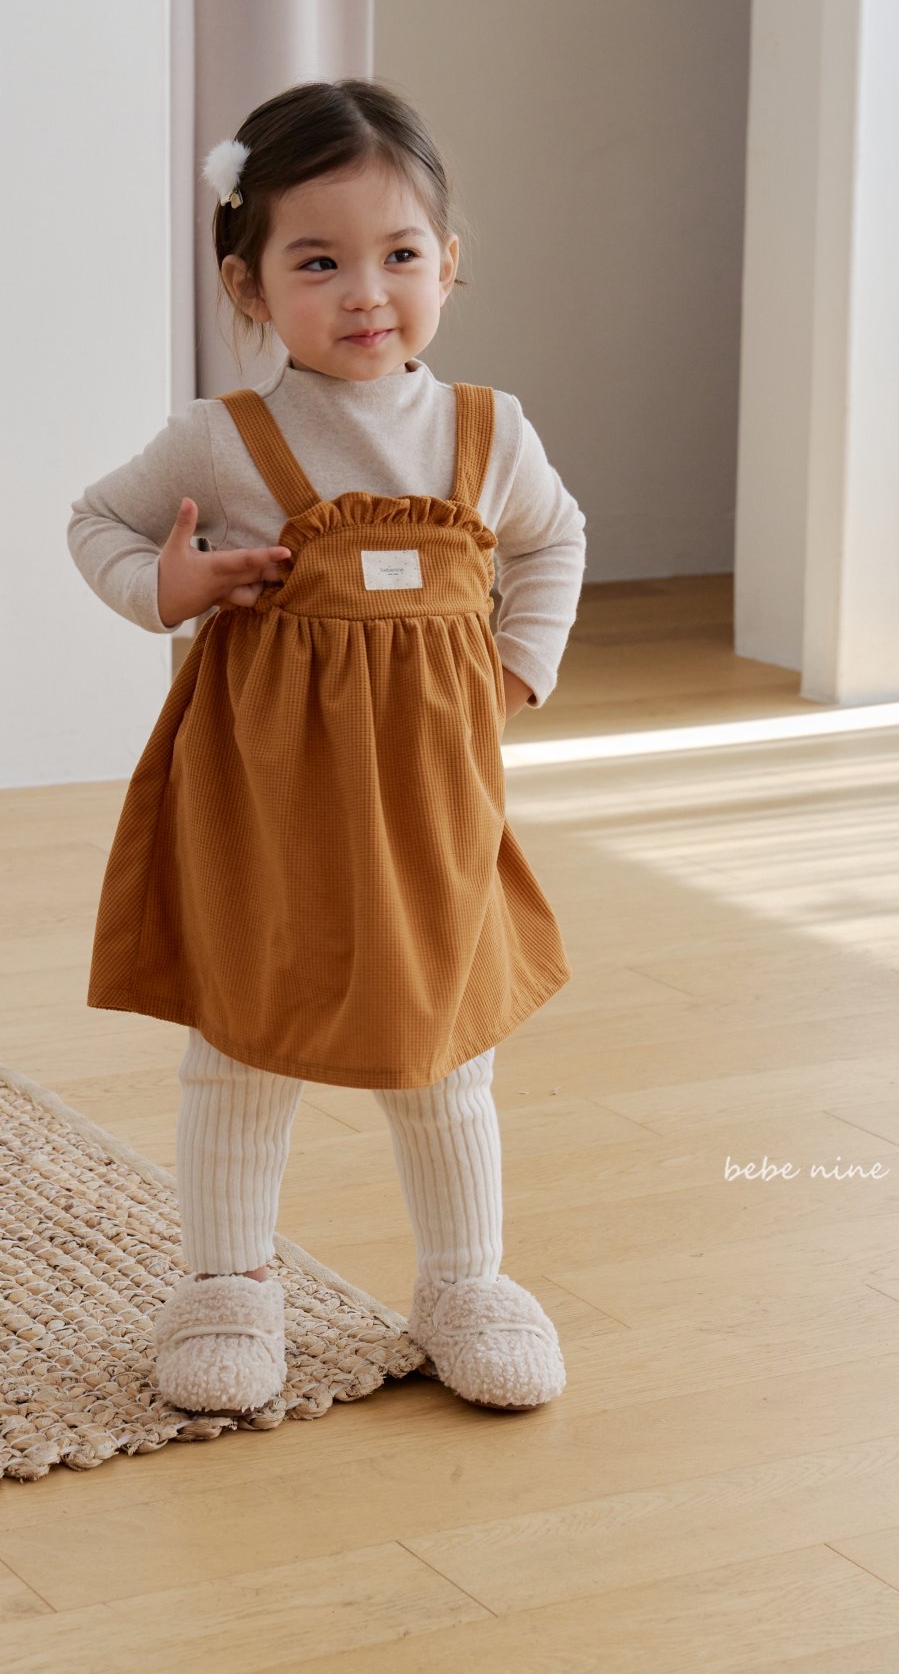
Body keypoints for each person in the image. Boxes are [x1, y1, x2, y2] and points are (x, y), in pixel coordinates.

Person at [67, 78, 586, 1416]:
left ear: (447, 264)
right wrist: (167, 586)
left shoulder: (488, 435)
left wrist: (516, 670)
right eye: (319, 263)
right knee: (245, 1040)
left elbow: (553, 540)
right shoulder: (221, 440)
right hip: (262, 802)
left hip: (431, 806)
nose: (367, 293)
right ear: (247, 285)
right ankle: (227, 1285)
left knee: (444, 1040)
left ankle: (466, 1282)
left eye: (399, 255)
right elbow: (99, 523)